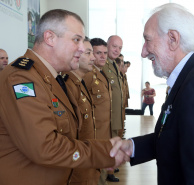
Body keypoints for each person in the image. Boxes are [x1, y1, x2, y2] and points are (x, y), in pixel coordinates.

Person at [0, 9, 128, 185]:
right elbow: (45, 147)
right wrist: (103, 152)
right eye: (76, 40)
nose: (82, 48)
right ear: (50, 38)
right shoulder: (21, 79)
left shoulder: (50, 78)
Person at [110, 3, 194, 185]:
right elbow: (174, 137)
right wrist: (131, 147)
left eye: (147, 40)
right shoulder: (190, 76)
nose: (143, 52)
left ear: (173, 39)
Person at [63, 37, 99, 185]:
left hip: (86, 161)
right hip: (77, 166)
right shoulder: (69, 85)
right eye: (88, 53)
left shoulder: (80, 83)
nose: (93, 58)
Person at [83, 38, 112, 185]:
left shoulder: (102, 73)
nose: (102, 56)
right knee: (94, 176)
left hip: (104, 134)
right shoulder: (88, 75)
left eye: (105, 53)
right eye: (98, 53)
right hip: (94, 137)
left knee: (101, 174)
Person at [103, 35, 124, 182]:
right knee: (109, 144)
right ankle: (108, 173)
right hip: (108, 115)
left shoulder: (114, 64)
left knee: (114, 142)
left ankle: (110, 170)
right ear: (107, 45)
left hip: (116, 114)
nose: (117, 50)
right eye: (114, 46)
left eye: (120, 48)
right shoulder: (103, 64)